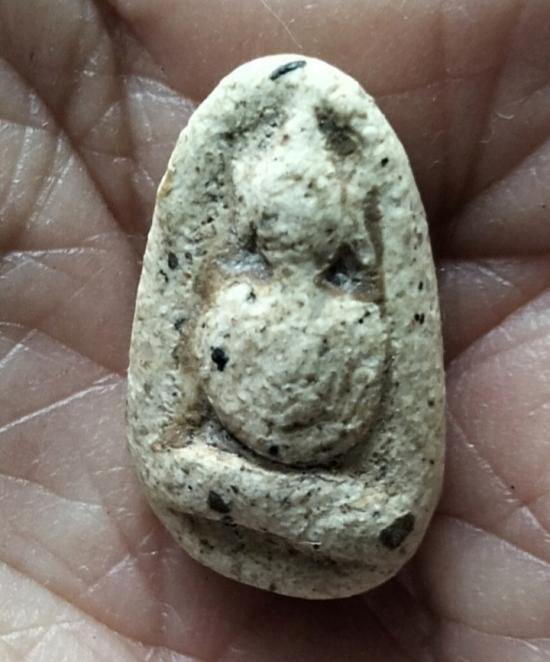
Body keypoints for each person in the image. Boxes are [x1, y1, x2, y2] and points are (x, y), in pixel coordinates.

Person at [0, 1, 549, 660]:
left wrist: (277, 502)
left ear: (344, 227)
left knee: (382, 524)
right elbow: (171, 453)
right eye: (277, 219)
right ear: (254, 223)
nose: (296, 231)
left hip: (337, 516)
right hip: (236, 497)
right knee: (179, 480)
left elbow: (393, 499)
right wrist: (240, 491)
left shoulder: (362, 315)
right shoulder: (229, 305)